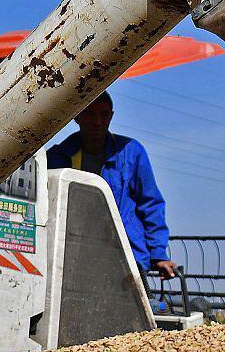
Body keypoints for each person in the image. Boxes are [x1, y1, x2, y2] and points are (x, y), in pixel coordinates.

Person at [46, 91, 178, 280]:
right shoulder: (57, 157)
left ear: (111, 116)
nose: (97, 122)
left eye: (104, 114)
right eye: (90, 114)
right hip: (73, 255)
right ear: (77, 116)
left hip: (125, 255)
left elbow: (151, 204)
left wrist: (158, 255)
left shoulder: (131, 152)